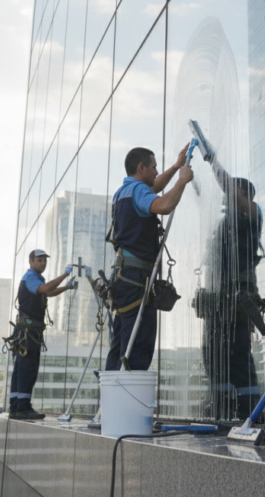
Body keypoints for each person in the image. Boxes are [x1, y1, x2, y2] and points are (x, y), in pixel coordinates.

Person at [105, 144, 194, 371]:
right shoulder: (138, 191)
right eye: (154, 167)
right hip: (136, 278)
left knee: (122, 342)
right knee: (138, 343)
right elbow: (164, 205)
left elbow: (155, 187)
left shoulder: (123, 192)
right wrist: (182, 180)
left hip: (124, 277)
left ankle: (113, 398)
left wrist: (176, 166)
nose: (156, 172)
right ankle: (128, 399)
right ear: (141, 167)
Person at [201, 159, 265, 420]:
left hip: (239, 300)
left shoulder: (252, 214)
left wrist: (211, 159)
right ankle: (221, 405)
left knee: (238, 354)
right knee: (213, 354)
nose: (226, 199)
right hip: (218, 300)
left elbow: (229, 188)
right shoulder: (223, 225)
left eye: (233, 194)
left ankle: (249, 410)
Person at [9, 249, 75, 420]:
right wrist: (64, 275)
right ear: (31, 262)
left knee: (22, 368)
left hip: (29, 330)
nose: (43, 263)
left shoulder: (36, 279)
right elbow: (45, 288)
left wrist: (66, 287)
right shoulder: (31, 277)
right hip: (28, 331)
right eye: (39, 260)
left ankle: (16, 406)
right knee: (27, 369)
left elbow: (47, 292)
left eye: (44, 261)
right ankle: (22, 408)